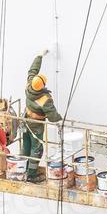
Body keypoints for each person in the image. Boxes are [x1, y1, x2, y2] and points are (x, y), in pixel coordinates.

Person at [23, 49, 61, 182]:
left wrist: (39, 55)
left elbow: (32, 71)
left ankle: (22, 169)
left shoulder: (29, 86)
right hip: (36, 126)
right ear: (43, 85)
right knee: (37, 149)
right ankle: (31, 175)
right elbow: (52, 116)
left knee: (26, 145)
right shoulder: (44, 99)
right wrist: (60, 119)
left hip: (25, 121)